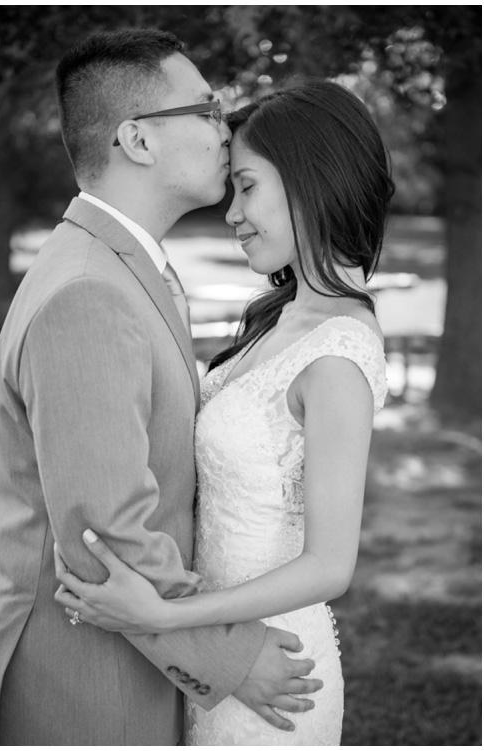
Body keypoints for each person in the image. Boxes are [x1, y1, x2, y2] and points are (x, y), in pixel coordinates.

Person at [0, 29, 322, 745]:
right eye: (205, 109)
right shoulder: (88, 292)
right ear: (138, 140)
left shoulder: (120, 269)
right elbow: (103, 537)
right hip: (89, 686)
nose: (224, 126)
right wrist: (231, 659)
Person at [53, 79, 392, 744]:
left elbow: (330, 563)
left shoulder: (339, 356)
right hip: (220, 653)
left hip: (274, 670)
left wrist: (169, 617)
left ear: (311, 179)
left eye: (248, 185)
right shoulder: (283, 314)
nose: (232, 211)